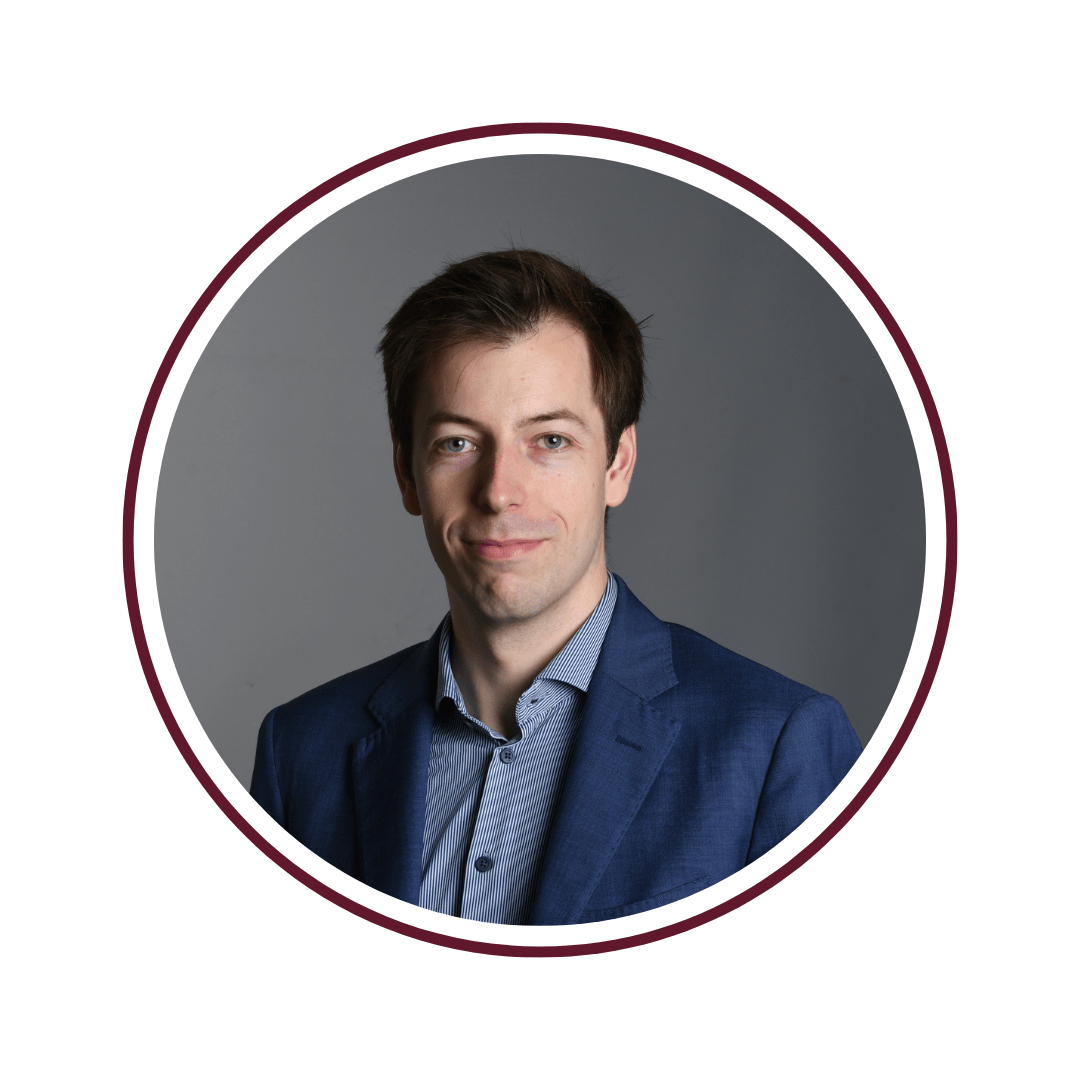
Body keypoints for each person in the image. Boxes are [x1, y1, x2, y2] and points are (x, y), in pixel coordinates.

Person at [251, 249, 862, 926]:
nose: (500, 492)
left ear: (618, 464)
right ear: (406, 472)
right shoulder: (301, 753)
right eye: (457, 443)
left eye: (549, 441)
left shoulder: (773, 746)